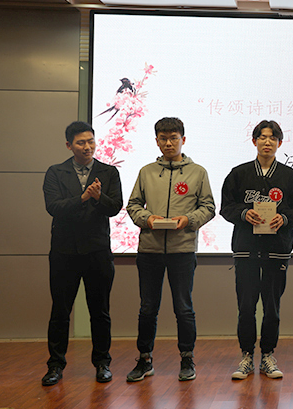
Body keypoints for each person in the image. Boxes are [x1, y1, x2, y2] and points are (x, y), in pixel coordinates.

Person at [125, 117, 216, 382]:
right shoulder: (146, 172)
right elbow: (133, 205)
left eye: (173, 138)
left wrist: (188, 219)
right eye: (163, 138)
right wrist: (147, 219)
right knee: (147, 308)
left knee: (183, 308)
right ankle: (144, 360)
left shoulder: (198, 172)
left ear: (183, 140)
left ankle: (187, 359)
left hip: (182, 250)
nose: (168, 143)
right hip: (150, 250)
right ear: (156, 141)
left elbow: (208, 207)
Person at [221, 120, 293, 380]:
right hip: (246, 250)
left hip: (276, 251)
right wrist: (243, 213)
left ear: (279, 143)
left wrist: (285, 218)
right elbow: (226, 207)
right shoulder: (239, 173)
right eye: (262, 137)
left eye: (273, 138)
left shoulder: (288, 176)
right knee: (246, 306)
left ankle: (268, 355)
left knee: (272, 307)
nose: (267, 142)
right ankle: (246, 356)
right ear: (254, 141)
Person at [41, 121, 123, 386]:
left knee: (100, 311)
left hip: (97, 251)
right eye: (81, 143)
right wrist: (84, 198)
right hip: (64, 252)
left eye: (91, 141)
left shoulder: (108, 172)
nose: (87, 147)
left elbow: (115, 207)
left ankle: (102, 363)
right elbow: (54, 207)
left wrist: (98, 197)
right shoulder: (56, 172)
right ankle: (55, 365)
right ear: (69, 145)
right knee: (60, 312)